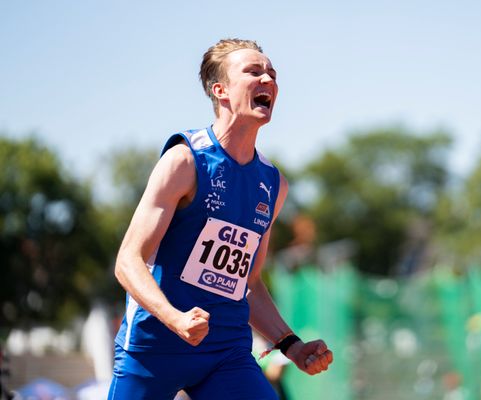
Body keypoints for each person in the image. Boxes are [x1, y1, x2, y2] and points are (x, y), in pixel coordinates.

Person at [108, 38, 333, 399]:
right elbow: (127, 262)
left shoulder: (273, 184)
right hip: (153, 350)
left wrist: (290, 344)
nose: (268, 80)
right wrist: (176, 318)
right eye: (254, 71)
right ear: (221, 90)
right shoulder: (184, 162)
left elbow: (249, 281)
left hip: (225, 354)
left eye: (272, 74)